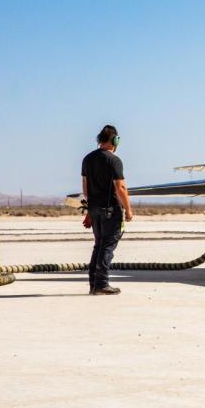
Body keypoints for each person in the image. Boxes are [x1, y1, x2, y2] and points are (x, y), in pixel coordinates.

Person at [81, 125, 133, 295]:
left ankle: (93, 283)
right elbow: (121, 188)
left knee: (99, 245)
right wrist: (129, 209)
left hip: (95, 209)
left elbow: (85, 189)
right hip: (111, 210)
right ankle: (102, 284)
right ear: (115, 140)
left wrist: (90, 211)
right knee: (108, 246)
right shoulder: (114, 160)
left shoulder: (87, 159)